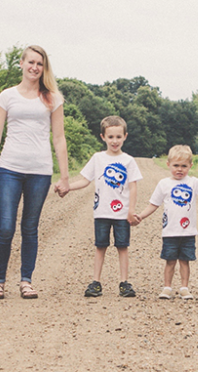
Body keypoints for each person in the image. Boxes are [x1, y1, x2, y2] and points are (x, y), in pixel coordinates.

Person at [0, 45, 71, 300]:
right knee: (6, 227)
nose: (34, 67)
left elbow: (59, 139)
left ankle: (26, 280)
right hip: (10, 168)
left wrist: (64, 177)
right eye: (31, 62)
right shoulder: (7, 96)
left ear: (44, 68)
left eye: (40, 64)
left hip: (40, 171)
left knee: (30, 226)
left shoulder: (52, 98)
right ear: (21, 63)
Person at [57, 116, 142, 298]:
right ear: (102, 137)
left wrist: (131, 210)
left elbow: (133, 186)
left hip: (122, 214)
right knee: (100, 246)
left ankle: (124, 282)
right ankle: (96, 282)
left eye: (118, 137)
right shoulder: (97, 158)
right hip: (101, 212)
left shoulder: (128, 161)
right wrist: (67, 187)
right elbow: (85, 181)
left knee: (122, 246)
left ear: (125, 136)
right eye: (110, 137)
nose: (114, 141)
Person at [135, 145, 198, 300]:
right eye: (176, 165)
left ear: (190, 166)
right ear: (168, 164)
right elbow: (153, 204)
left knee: (185, 261)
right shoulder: (164, 184)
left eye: (184, 166)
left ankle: (184, 288)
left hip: (188, 232)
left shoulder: (193, 183)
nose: (179, 169)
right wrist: (141, 216)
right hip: (170, 231)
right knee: (170, 261)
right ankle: (167, 288)